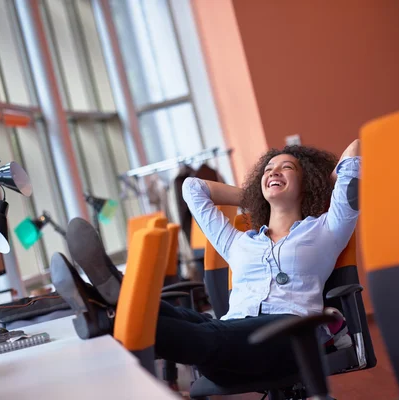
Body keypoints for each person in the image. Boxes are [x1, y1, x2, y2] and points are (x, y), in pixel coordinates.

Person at [51, 139, 361, 386]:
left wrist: (323, 189)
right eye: (268, 169)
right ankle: (107, 306)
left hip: (290, 336)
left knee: (209, 333)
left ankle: (107, 315)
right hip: (233, 341)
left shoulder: (327, 229)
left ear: (307, 182)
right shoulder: (239, 242)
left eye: (287, 168)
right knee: (178, 314)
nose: (274, 172)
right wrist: (254, 196)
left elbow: (355, 150)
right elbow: (192, 188)